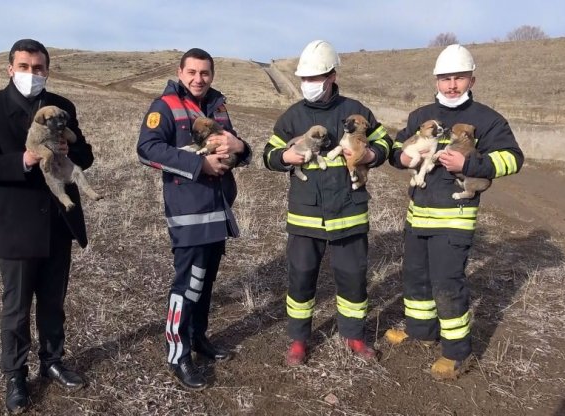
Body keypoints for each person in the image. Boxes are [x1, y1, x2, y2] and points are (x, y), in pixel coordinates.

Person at [0, 39, 93, 413]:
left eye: (38, 68)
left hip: (58, 221)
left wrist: (72, 153)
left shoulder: (63, 107)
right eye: (24, 66)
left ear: (47, 70)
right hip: (16, 224)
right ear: (10, 68)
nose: (32, 74)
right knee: (16, 308)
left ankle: (52, 361)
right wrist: (22, 160)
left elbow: (86, 153)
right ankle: (15, 375)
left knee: (53, 301)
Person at [385, 44, 524, 380]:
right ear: (436, 79)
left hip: (455, 217)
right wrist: (400, 158)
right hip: (418, 214)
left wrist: (470, 163)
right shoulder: (420, 115)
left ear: (471, 79)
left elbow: (513, 159)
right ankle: (421, 331)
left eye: (459, 77)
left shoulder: (487, 120)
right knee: (416, 277)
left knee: (447, 283)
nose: (451, 85)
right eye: (445, 78)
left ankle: (457, 353)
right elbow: (396, 148)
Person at [262, 40, 393, 366]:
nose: (309, 84)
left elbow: (384, 141)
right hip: (306, 215)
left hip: (349, 212)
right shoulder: (292, 116)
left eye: (316, 77)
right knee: (301, 276)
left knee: (353, 276)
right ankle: (298, 340)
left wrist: (373, 154)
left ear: (332, 75)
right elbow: (268, 154)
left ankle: (354, 335)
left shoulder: (357, 111)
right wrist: (285, 156)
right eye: (304, 78)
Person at [136, 48, 252, 390]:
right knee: (188, 284)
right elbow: (147, 150)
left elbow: (236, 149)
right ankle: (178, 353)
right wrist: (199, 165)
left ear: (212, 75)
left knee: (207, 282)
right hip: (189, 211)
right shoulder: (164, 105)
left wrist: (240, 148)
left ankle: (198, 337)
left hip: (218, 208)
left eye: (205, 73)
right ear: (180, 71)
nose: (198, 79)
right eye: (192, 72)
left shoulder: (218, 105)